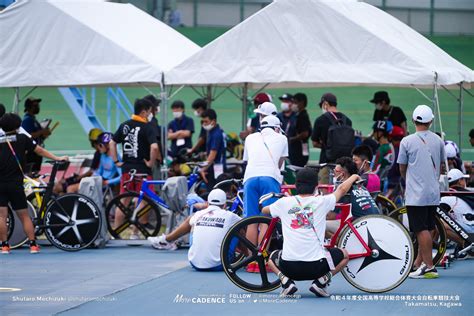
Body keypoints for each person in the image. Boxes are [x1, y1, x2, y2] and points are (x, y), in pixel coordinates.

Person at [262, 168, 361, 297]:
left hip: (289, 268)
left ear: (296, 186)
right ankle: (320, 283)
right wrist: (353, 176)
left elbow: (264, 210)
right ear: (316, 187)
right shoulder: (322, 201)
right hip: (316, 267)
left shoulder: (283, 203)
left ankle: (286, 282)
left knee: (270, 256)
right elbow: (341, 189)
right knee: (345, 255)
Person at [0, 113, 68, 254]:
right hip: (16, 183)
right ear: (18, 126)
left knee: (1, 216)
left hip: (1, 183)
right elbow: (39, 150)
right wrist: (57, 157)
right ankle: (33, 245)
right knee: (24, 216)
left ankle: (5, 246)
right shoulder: (22, 138)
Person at [398, 104, 445, 279]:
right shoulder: (438, 140)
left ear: (413, 120)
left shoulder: (407, 141)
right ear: (431, 121)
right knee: (428, 227)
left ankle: (429, 266)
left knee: (420, 229)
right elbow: (440, 165)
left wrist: (408, 180)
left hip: (416, 194)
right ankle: (419, 264)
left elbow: (402, 167)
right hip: (433, 192)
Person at [148, 189, 241, 271]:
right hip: (221, 264)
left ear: (207, 203)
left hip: (194, 263)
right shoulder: (230, 216)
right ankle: (249, 258)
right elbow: (246, 224)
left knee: (193, 222)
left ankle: (167, 239)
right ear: (224, 205)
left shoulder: (198, 214)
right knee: (238, 227)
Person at [242, 115, 288, 272]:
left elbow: (248, 160)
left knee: (251, 221)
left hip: (250, 178)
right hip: (270, 178)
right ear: (277, 127)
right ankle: (262, 260)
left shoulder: (249, 138)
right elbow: (280, 163)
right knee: (266, 220)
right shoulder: (282, 138)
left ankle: (251, 261)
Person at [110, 98, 159, 237]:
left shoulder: (125, 125)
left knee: (123, 201)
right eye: (150, 111)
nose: (151, 114)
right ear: (144, 112)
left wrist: (116, 161)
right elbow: (154, 147)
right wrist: (150, 162)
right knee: (144, 199)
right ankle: (135, 232)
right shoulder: (147, 127)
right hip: (143, 170)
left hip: (127, 169)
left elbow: (112, 143)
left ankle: (116, 232)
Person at [326, 157, 379, 235]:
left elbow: (331, 216)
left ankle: (338, 246)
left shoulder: (343, 189)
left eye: (336, 171)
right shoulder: (361, 187)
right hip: (377, 223)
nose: (333, 173)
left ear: (342, 174)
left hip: (361, 227)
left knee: (323, 225)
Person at [311, 93, 353, 183]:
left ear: (325, 104)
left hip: (326, 162)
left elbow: (314, 143)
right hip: (345, 164)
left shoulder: (320, 120)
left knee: (325, 189)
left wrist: (327, 146)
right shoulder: (347, 120)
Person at [54, 128, 103, 194]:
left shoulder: (101, 154)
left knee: (60, 187)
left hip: (91, 180)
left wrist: (78, 178)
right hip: (88, 179)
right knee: (59, 184)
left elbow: (91, 172)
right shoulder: (98, 153)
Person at [440, 169, 474, 259]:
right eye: (464, 179)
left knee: (440, 224)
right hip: (470, 228)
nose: (465, 182)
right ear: (460, 181)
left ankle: (467, 247)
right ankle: (467, 246)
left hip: (471, 230)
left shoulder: (447, 197)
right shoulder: (465, 193)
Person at [21, 97, 52, 172]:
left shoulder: (33, 119)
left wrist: (44, 134)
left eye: (38, 105)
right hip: (31, 152)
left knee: (35, 172)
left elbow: (38, 136)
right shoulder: (27, 120)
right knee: (31, 172)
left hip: (36, 151)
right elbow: (28, 136)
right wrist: (42, 131)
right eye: (35, 105)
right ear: (29, 107)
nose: (38, 107)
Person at [200, 109, 226, 189]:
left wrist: (203, 169)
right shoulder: (213, 132)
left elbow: (213, 155)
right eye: (202, 122)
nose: (204, 124)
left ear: (213, 121)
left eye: (206, 122)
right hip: (214, 167)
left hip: (217, 168)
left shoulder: (216, 134)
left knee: (215, 190)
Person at [289, 93, 312, 167]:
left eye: (295, 102)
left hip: (299, 150)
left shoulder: (303, 116)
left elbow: (305, 133)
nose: (293, 105)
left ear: (301, 102)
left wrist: (292, 139)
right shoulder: (297, 115)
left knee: (297, 166)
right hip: (299, 148)